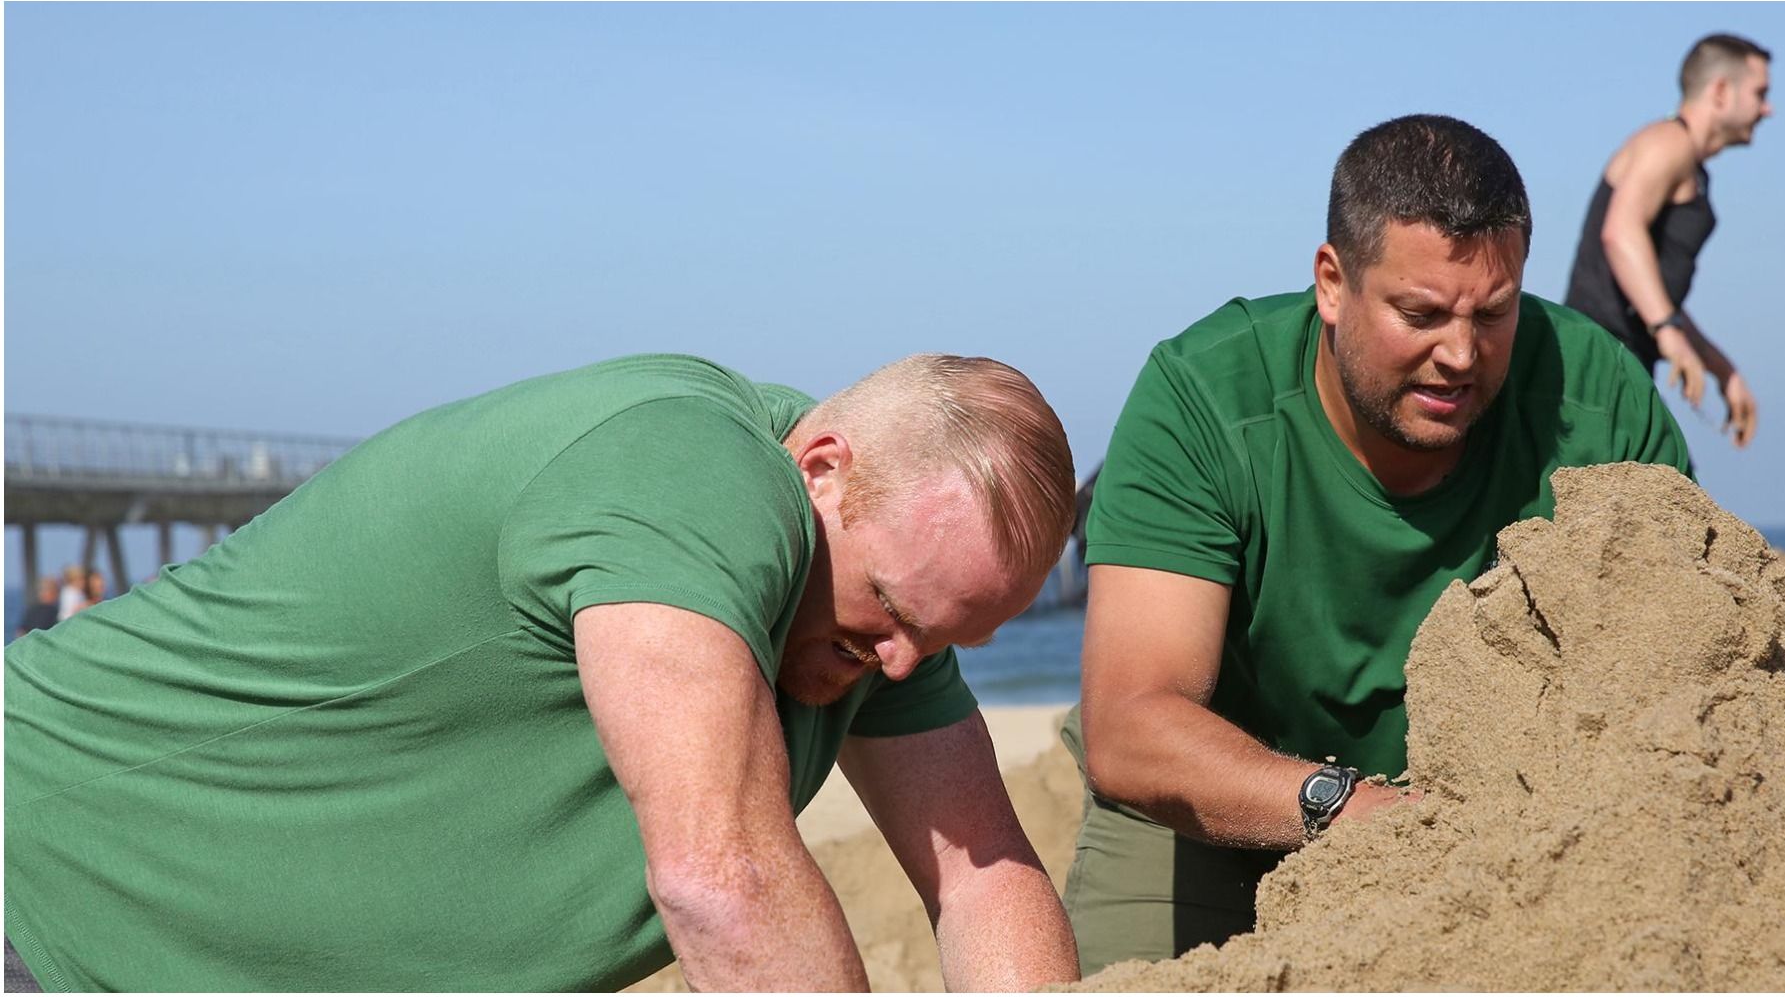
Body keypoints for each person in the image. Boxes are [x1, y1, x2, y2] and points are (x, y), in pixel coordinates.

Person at [5, 353, 1081, 991]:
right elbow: (721, 880)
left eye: (945, 641)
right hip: (45, 899)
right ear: (820, 469)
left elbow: (980, 872)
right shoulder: (691, 476)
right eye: (889, 613)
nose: (902, 662)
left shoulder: (877, 614)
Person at [1061, 114, 1694, 974]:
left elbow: (1692, 670)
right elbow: (1133, 728)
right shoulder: (1202, 399)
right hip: (1213, 806)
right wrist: (1353, 807)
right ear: (1332, 282)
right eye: (1421, 314)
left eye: (1495, 314)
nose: (1461, 355)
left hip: (1492, 818)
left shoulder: (1599, 405)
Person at [1565, 33, 1773, 448]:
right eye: (1759, 93)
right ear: (1719, 91)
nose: (1767, 109)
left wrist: (1720, 369)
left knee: (1666, 489)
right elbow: (1620, 231)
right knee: (1664, 490)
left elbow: (1658, 293)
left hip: (1625, 362)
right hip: (1598, 359)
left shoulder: (1690, 166)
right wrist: (1667, 332)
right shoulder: (1667, 143)